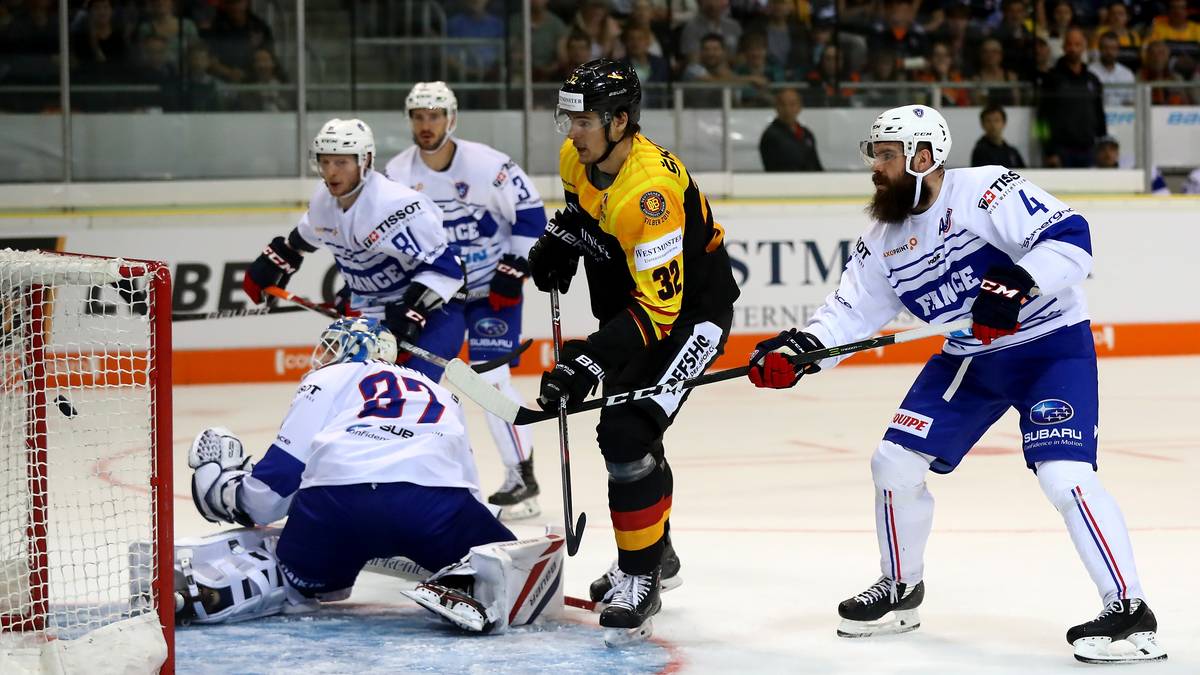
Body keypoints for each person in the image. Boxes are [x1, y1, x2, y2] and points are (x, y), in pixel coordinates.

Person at [746, 104, 1167, 665]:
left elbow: (1071, 238)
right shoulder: (881, 238)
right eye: (875, 154)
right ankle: (901, 590)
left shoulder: (986, 192)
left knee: (1064, 474)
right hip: (969, 360)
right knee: (893, 462)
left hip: (1050, 347)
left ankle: (1130, 611)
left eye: (888, 156)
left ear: (924, 158)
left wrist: (1017, 282)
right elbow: (849, 314)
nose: (877, 166)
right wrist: (801, 351)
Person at [531, 58, 740, 645]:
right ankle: (657, 554)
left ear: (621, 121)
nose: (572, 131)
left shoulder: (649, 192)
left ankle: (641, 574)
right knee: (635, 440)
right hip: (630, 314)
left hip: (688, 320)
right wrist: (561, 241)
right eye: (568, 118)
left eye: (585, 120)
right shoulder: (580, 156)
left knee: (626, 435)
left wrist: (590, 357)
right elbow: (581, 212)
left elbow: (662, 309)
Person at [180, 317, 563, 633]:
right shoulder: (439, 390)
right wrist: (480, 537)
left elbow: (275, 486)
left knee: (297, 572)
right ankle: (467, 578)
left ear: (358, 351)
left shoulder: (326, 379)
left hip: (338, 508)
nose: (325, 357)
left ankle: (247, 584)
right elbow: (466, 483)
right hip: (437, 509)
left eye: (334, 346)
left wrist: (229, 493)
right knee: (503, 560)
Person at [385, 82, 548, 520]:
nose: (426, 125)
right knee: (421, 385)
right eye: (418, 116)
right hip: (441, 296)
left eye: (434, 115)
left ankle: (522, 476)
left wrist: (515, 270)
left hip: (493, 292)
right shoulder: (397, 173)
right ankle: (426, 478)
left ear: (450, 118)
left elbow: (531, 215)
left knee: (491, 380)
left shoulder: (488, 165)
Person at [242, 118, 466, 382]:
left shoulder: (399, 206)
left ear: (365, 160)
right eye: (325, 162)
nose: (331, 172)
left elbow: (449, 271)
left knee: (416, 395)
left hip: (433, 315)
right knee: (343, 391)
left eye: (341, 163)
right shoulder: (324, 201)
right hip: (373, 317)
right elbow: (301, 238)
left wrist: (411, 314)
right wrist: (275, 261)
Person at [1038, 27, 1106, 167]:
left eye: (1077, 44)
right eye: (1069, 44)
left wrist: (1101, 144)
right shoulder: (1051, 79)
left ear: (1084, 47)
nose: (1073, 49)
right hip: (1060, 151)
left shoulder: (1092, 79)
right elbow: (1041, 119)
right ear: (1063, 47)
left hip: (1089, 149)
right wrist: (1049, 151)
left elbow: (1099, 113)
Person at [759, 88, 823, 171]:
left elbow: (816, 165)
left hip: (810, 181)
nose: (787, 109)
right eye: (783, 104)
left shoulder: (806, 134)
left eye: (792, 104)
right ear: (776, 107)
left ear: (799, 107)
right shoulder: (770, 136)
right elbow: (773, 169)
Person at [1089, 32, 1136, 106]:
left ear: (1118, 50)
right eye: (1105, 48)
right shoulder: (1090, 71)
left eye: (1113, 48)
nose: (1109, 52)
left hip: (1122, 116)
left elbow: (1131, 102)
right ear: (1099, 49)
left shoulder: (1127, 74)